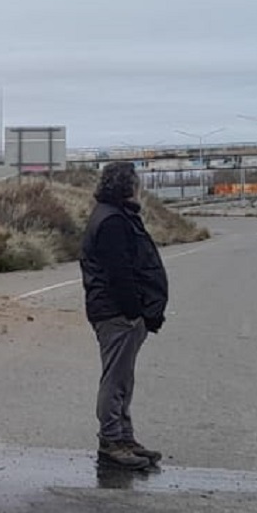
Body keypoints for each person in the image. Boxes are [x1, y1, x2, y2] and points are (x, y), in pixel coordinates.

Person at [79, 161, 168, 470]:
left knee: (123, 379)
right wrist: (135, 312)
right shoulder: (112, 221)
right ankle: (111, 441)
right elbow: (120, 273)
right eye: (135, 182)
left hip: (120, 313)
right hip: (117, 314)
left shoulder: (116, 215)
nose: (138, 187)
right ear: (126, 186)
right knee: (116, 379)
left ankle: (124, 437)